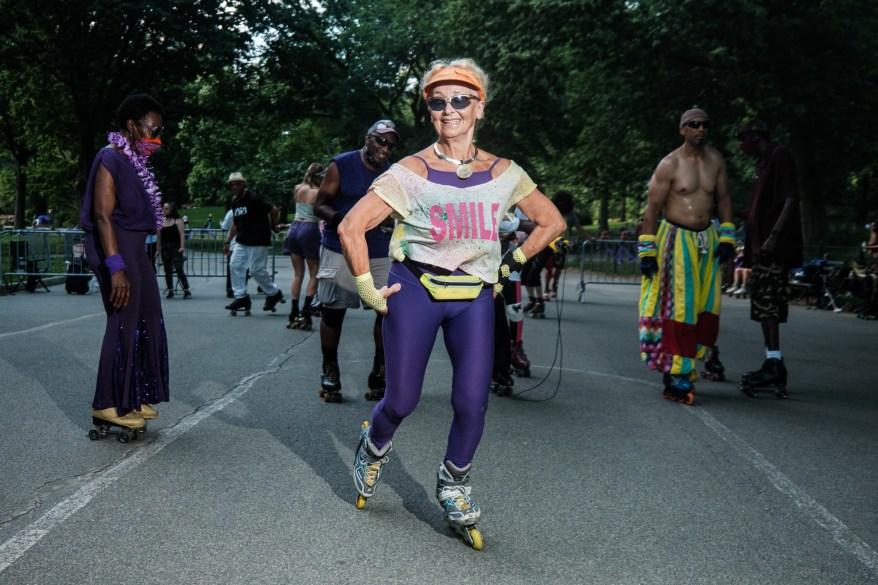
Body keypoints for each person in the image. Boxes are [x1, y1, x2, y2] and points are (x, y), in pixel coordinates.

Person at [339, 58, 565, 549]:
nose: (449, 110)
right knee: (401, 400)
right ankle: (373, 444)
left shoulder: (505, 173)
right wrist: (366, 288)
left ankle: (455, 483)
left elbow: (552, 223)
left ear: (480, 106)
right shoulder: (410, 171)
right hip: (416, 289)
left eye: (460, 99)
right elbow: (349, 226)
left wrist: (512, 261)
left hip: (474, 298)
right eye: (438, 101)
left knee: (471, 401)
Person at [79, 93, 169, 435]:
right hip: (113, 246)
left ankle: (132, 394)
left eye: (160, 130)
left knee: (148, 316)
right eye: (153, 129)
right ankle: (107, 403)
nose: (157, 137)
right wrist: (116, 266)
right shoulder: (109, 157)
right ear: (131, 125)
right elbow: (102, 216)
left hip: (135, 248)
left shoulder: (134, 162)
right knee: (123, 321)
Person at [638, 108, 735, 404]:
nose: (700, 129)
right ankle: (678, 372)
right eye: (694, 124)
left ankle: (686, 362)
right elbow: (651, 209)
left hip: (708, 241)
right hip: (676, 241)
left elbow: (724, 199)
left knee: (705, 306)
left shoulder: (716, 160)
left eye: (705, 124)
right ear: (683, 129)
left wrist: (729, 236)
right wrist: (647, 250)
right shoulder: (670, 164)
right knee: (678, 308)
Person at [312, 120, 399, 402]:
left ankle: (380, 371)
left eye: (390, 143)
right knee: (333, 311)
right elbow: (320, 204)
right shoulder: (342, 164)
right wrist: (343, 222)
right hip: (340, 247)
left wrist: (390, 221)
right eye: (380, 141)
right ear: (367, 137)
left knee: (387, 310)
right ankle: (330, 368)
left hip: (377, 250)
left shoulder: (393, 174)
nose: (385, 148)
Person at [736, 119, 804, 398]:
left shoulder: (779, 154)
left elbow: (791, 198)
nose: (742, 145)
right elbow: (755, 213)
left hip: (773, 250)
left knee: (770, 308)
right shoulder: (762, 165)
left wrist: (774, 235)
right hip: (760, 251)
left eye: (743, 139)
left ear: (755, 136)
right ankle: (772, 361)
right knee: (764, 308)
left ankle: (775, 364)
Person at [222, 171, 285, 315]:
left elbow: (273, 210)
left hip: (258, 239)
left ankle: (274, 293)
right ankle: (241, 296)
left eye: (238, 183)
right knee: (234, 265)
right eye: (233, 184)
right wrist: (227, 241)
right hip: (242, 240)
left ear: (243, 184)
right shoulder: (235, 201)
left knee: (256, 270)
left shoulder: (254, 198)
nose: (235, 186)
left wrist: (274, 226)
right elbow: (235, 223)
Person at [283, 162, 324, 330]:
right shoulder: (319, 192)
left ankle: (293, 312)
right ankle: (306, 311)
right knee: (315, 273)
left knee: (298, 274)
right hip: (309, 228)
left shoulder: (298, 188)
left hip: (294, 228)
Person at [156, 201, 191, 299]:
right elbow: (158, 237)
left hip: (176, 247)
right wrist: (157, 250)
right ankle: (170, 290)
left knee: (179, 269)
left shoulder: (177, 220)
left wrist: (182, 247)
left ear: (171, 210)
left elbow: (181, 234)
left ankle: (186, 290)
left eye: (166, 208)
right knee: (167, 270)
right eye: (163, 208)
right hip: (165, 248)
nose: (164, 210)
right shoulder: (161, 221)